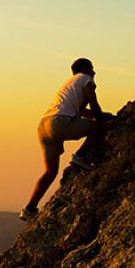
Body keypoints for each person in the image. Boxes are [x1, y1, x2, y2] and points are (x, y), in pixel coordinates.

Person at [19, 58, 114, 222]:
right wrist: (109, 119)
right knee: (101, 128)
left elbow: (81, 111)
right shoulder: (86, 79)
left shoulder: (70, 84)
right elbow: (94, 107)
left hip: (43, 126)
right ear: (84, 68)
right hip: (59, 123)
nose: (94, 71)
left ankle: (29, 209)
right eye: (92, 68)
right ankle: (80, 156)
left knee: (50, 172)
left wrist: (103, 115)